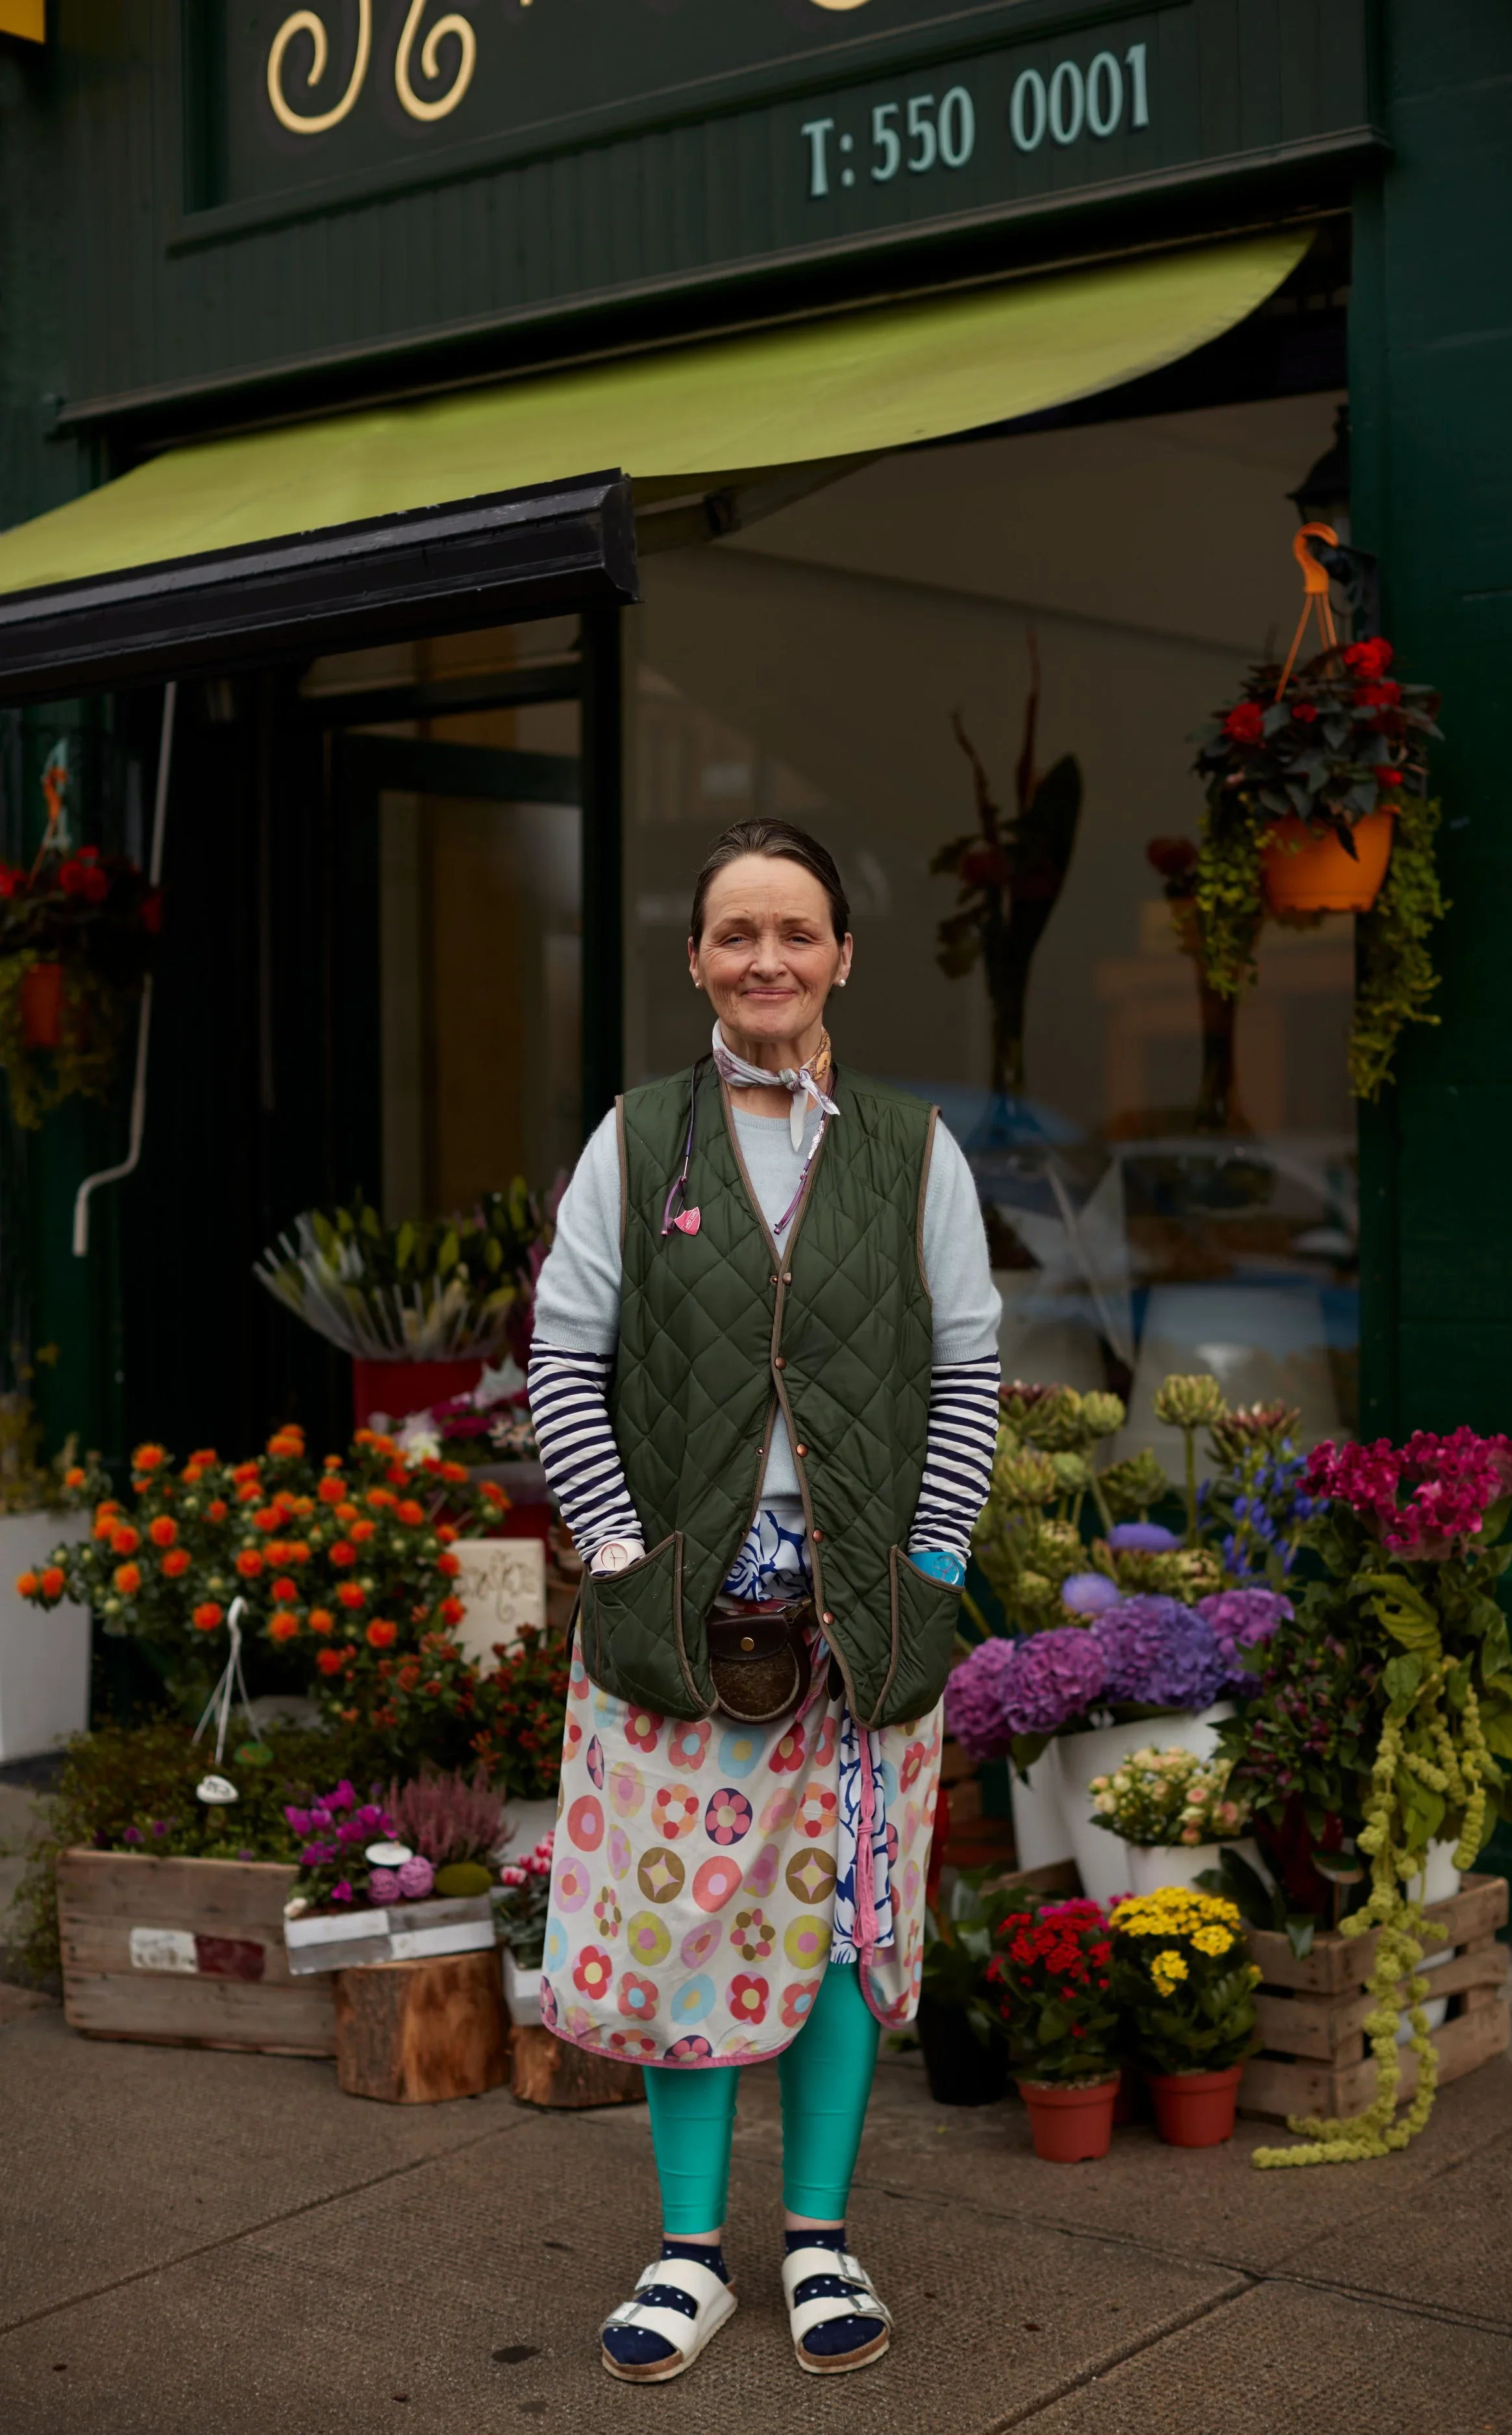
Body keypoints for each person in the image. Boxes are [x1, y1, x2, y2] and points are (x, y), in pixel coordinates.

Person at [528, 816, 1000, 2382]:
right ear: (695, 961)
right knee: (677, 1928)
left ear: (841, 955)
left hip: (861, 1615)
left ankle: (816, 2241)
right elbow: (564, 1356)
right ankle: (685, 2256)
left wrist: (929, 1565)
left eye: (794, 932)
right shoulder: (636, 1136)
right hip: (678, 1615)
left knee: (844, 1928)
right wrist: (614, 1550)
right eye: (734, 933)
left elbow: (969, 1370)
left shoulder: (913, 1150)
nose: (765, 960)